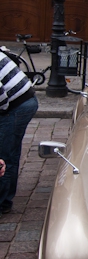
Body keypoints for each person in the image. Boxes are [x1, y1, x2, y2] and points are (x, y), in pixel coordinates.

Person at [0, 50, 38, 215]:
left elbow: (1, 97)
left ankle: (1, 203)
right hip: (22, 100)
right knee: (10, 153)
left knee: (3, 155)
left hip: (16, 104)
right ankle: (6, 200)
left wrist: (3, 113)